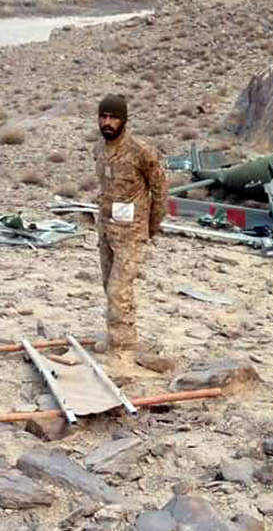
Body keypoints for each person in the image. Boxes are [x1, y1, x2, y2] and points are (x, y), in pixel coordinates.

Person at [94, 94, 167, 353]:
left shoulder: (141, 152)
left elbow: (160, 191)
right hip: (107, 231)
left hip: (131, 233)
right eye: (104, 116)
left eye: (113, 117)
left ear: (123, 120)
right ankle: (121, 334)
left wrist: (151, 227)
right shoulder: (99, 150)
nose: (107, 122)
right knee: (110, 286)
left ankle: (123, 344)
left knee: (118, 288)